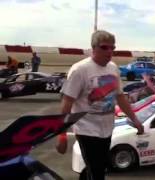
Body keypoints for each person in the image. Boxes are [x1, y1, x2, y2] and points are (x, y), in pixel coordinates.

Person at [56, 30, 144, 180]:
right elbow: (67, 103)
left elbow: (120, 97)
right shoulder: (80, 70)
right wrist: (61, 135)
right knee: (97, 171)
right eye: (104, 47)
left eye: (112, 48)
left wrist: (135, 120)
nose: (109, 51)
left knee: (98, 168)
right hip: (86, 129)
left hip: (107, 128)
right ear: (93, 47)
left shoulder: (113, 68)